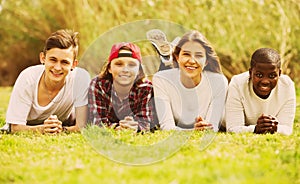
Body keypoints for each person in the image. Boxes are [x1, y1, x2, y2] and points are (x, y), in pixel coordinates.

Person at [2, 29, 90, 134]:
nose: (57, 67)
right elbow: (14, 128)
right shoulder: (28, 78)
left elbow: (81, 127)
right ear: (43, 58)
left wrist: (60, 130)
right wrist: (42, 129)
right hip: (29, 124)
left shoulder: (80, 78)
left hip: (67, 120)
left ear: (74, 65)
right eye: (53, 60)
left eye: (64, 62)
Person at [152, 30, 228, 131]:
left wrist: (205, 126)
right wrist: (194, 131)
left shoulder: (218, 81)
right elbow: (166, 126)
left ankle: (165, 59)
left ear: (206, 61)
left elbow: (211, 126)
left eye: (199, 55)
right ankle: (165, 60)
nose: (192, 61)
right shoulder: (160, 80)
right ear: (177, 57)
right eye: (186, 54)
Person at [225, 48, 296, 135]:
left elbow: (287, 129)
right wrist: (255, 129)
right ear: (250, 73)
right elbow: (233, 128)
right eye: (259, 75)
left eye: (272, 75)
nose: (265, 81)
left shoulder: (287, 86)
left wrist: (275, 127)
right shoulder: (237, 84)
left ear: (279, 74)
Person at [88, 42, 156, 132]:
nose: (125, 70)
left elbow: (146, 123)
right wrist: (116, 127)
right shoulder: (98, 85)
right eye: (119, 64)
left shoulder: (146, 88)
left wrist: (135, 127)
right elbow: (96, 122)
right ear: (109, 68)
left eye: (131, 65)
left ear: (139, 70)